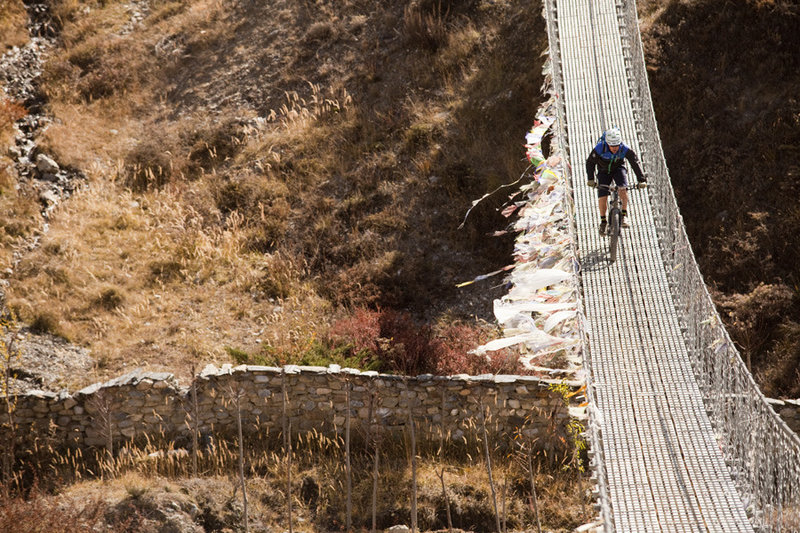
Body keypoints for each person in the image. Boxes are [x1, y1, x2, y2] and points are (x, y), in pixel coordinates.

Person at [586, 127, 646, 235]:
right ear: (607, 143)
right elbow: (590, 162)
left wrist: (641, 179)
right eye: (612, 146)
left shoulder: (624, 148)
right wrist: (591, 179)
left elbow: (634, 162)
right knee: (602, 196)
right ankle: (603, 222)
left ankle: (623, 215)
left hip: (618, 169)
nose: (615, 148)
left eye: (616, 145)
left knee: (623, 189)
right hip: (603, 171)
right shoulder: (600, 148)